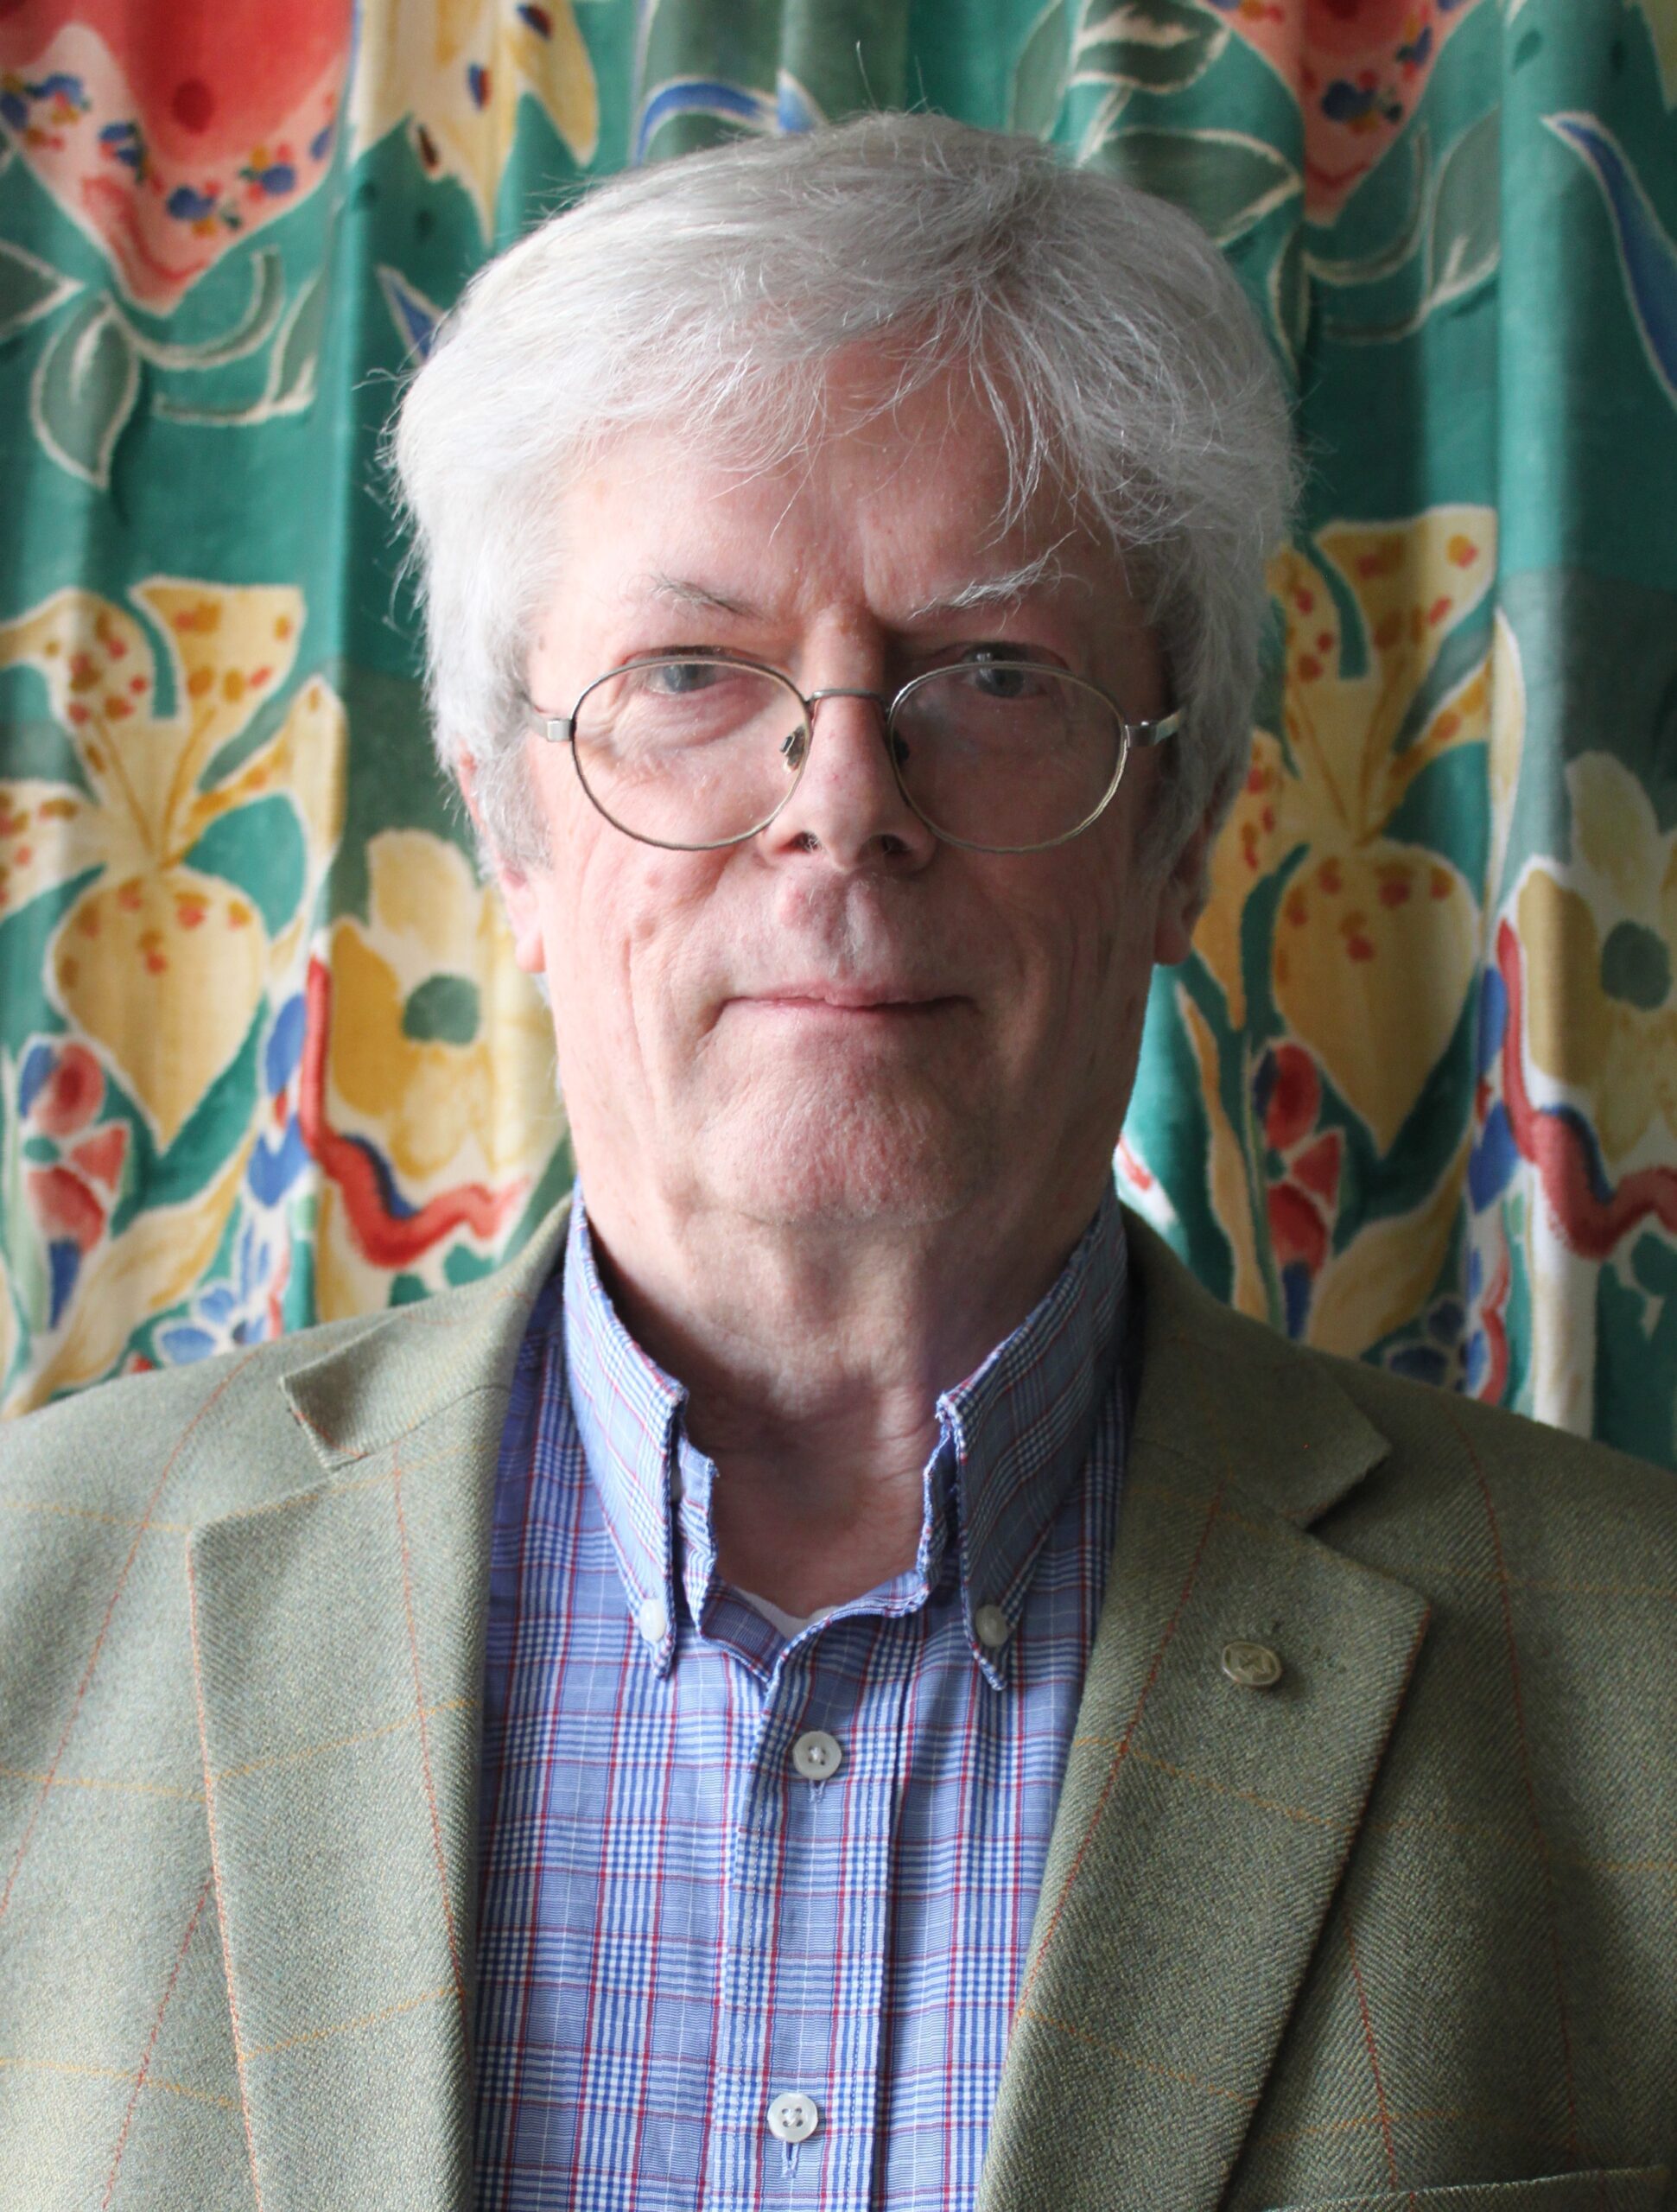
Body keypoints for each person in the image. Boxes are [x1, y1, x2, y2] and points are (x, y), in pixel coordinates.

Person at [0, 112, 1671, 2212]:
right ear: (507, 824)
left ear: (1183, 829)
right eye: (691, 674)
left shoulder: (1638, 1666)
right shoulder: (36, 1594)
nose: (841, 803)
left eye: (993, 674)